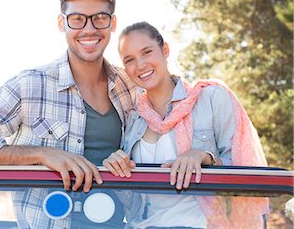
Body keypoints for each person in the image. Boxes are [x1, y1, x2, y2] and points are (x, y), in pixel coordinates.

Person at [0, 0, 136, 228]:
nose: (89, 29)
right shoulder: (30, 85)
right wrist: (42, 154)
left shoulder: (130, 87)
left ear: (113, 23)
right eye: (77, 18)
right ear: (61, 23)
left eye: (99, 17)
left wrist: (203, 154)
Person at [102, 21, 268, 228]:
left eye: (147, 52)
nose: (140, 65)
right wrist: (117, 171)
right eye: (130, 60)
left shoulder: (211, 97)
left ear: (165, 50)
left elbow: (245, 165)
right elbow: (132, 200)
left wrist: (204, 157)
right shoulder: (133, 120)